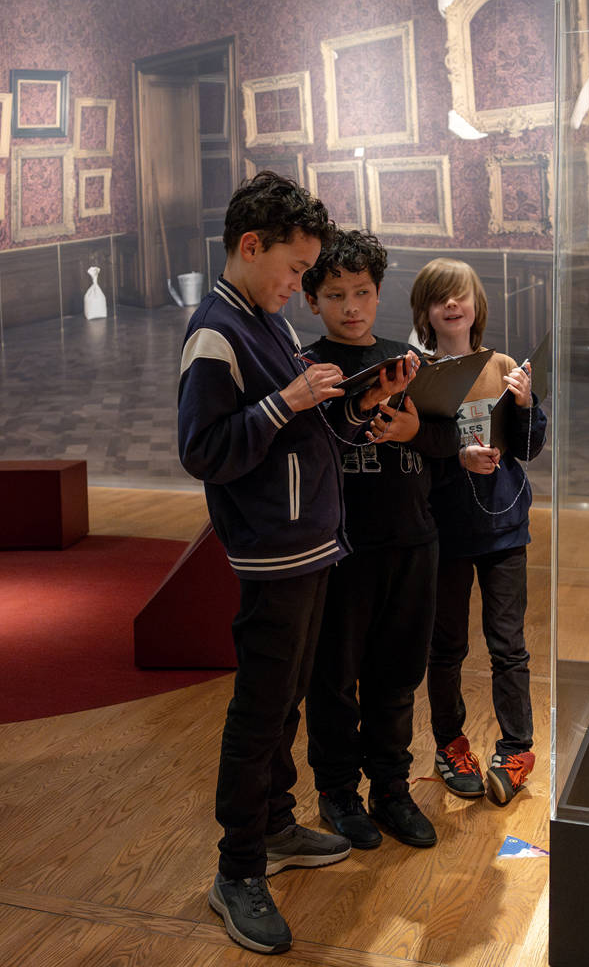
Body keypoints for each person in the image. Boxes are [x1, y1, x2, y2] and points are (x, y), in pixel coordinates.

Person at [177, 172, 412, 955]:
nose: (299, 284)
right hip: (273, 554)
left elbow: (303, 430)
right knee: (259, 711)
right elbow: (204, 450)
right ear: (251, 248)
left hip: (312, 544)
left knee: (286, 705)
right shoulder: (218, 330)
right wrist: (290, 403)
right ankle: (237, 868)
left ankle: (275, 826)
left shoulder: (265, 317)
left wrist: (360, 404)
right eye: (292, 269)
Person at [300, 230, 459, 850]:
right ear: (312, 299)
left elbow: (450, 445)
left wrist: (416, 431)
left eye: (362, 292)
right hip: (340, 551)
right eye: (335, 294)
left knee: (397, 675)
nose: (351, 306)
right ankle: (338, 793)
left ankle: (391, 789)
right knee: (335, 679)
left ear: (378, 291)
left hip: (413, 542)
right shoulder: (306, 368)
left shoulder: (409, 360)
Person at [410, 258, 547, 805]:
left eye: (460, 295)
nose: (451, 305)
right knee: (445, 647)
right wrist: (454, 454)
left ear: (476, 305)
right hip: (442, 529)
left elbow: (531, 449)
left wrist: (526, 404)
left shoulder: (504, 365)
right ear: (424, 310)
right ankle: (450, 746)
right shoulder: (415, 373)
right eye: (440, 297)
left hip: (504, 526)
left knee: (508, 645)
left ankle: (516, 749)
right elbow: (413, 451)